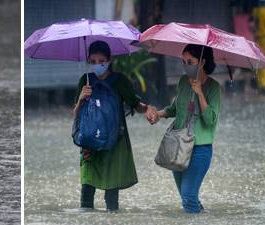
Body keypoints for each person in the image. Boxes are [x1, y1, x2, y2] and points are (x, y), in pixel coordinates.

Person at [74, 41, 157, 211]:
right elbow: (75, 114)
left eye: (102, 60)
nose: (98, 64)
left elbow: (135, 104)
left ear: (109, 60)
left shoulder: (120, 81)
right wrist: (81, 98)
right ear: (89, 61)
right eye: (93, 61)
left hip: (115, 142)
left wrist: (147, 109)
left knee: (111, 198)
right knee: (87, 191)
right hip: (89, 141)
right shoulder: (85, 80)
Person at [149, 44, 221, 214]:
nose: (185, 65)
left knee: (188, 196)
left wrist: (200, 93)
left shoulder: (214, 87)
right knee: (188, 198)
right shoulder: (182, 81)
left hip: (200, 149)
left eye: (190, 61)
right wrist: (158, 115)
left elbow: (210, 120)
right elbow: (175, 108)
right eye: (183, 61)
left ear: (202, 62)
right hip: (178, 147)